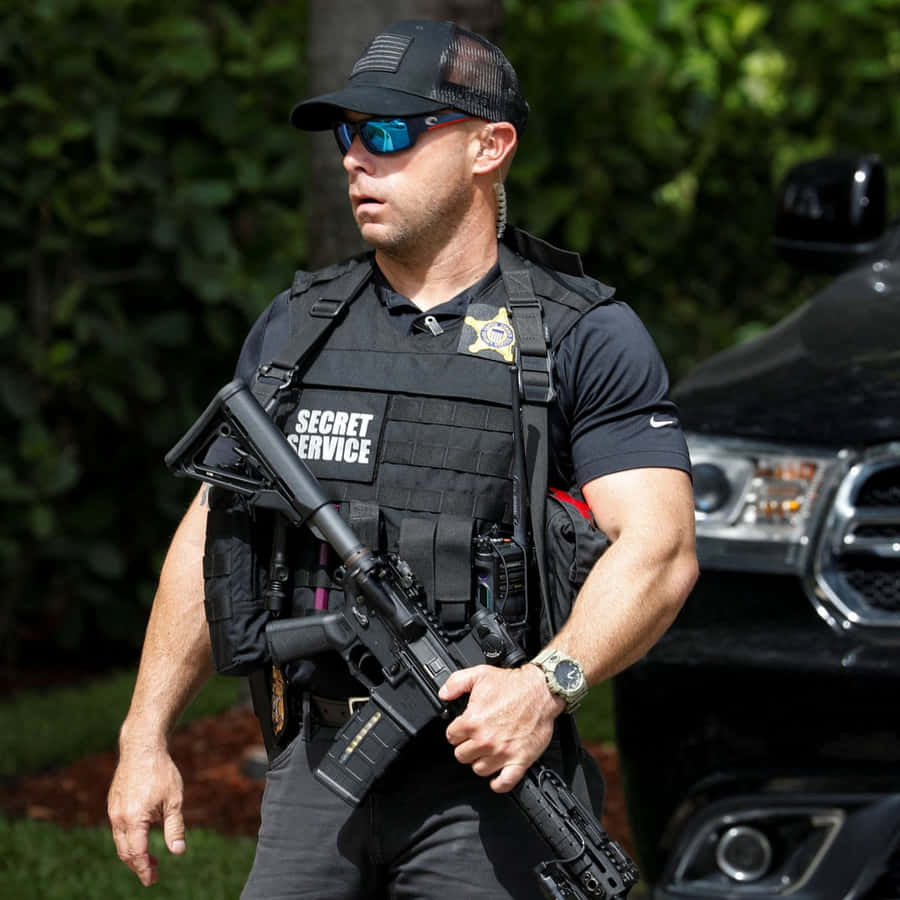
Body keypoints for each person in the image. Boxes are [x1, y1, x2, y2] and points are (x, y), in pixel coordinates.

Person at [108, 18, 698, 899]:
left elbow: (661, 549)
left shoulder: (579, 334)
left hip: (492, 780)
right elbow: (213, 530)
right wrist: (144, 735)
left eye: (389, 134)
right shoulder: (298, 329)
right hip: (317, 770)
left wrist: (546, 686)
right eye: (349, 134)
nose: (356, 159)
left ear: (487, 147)